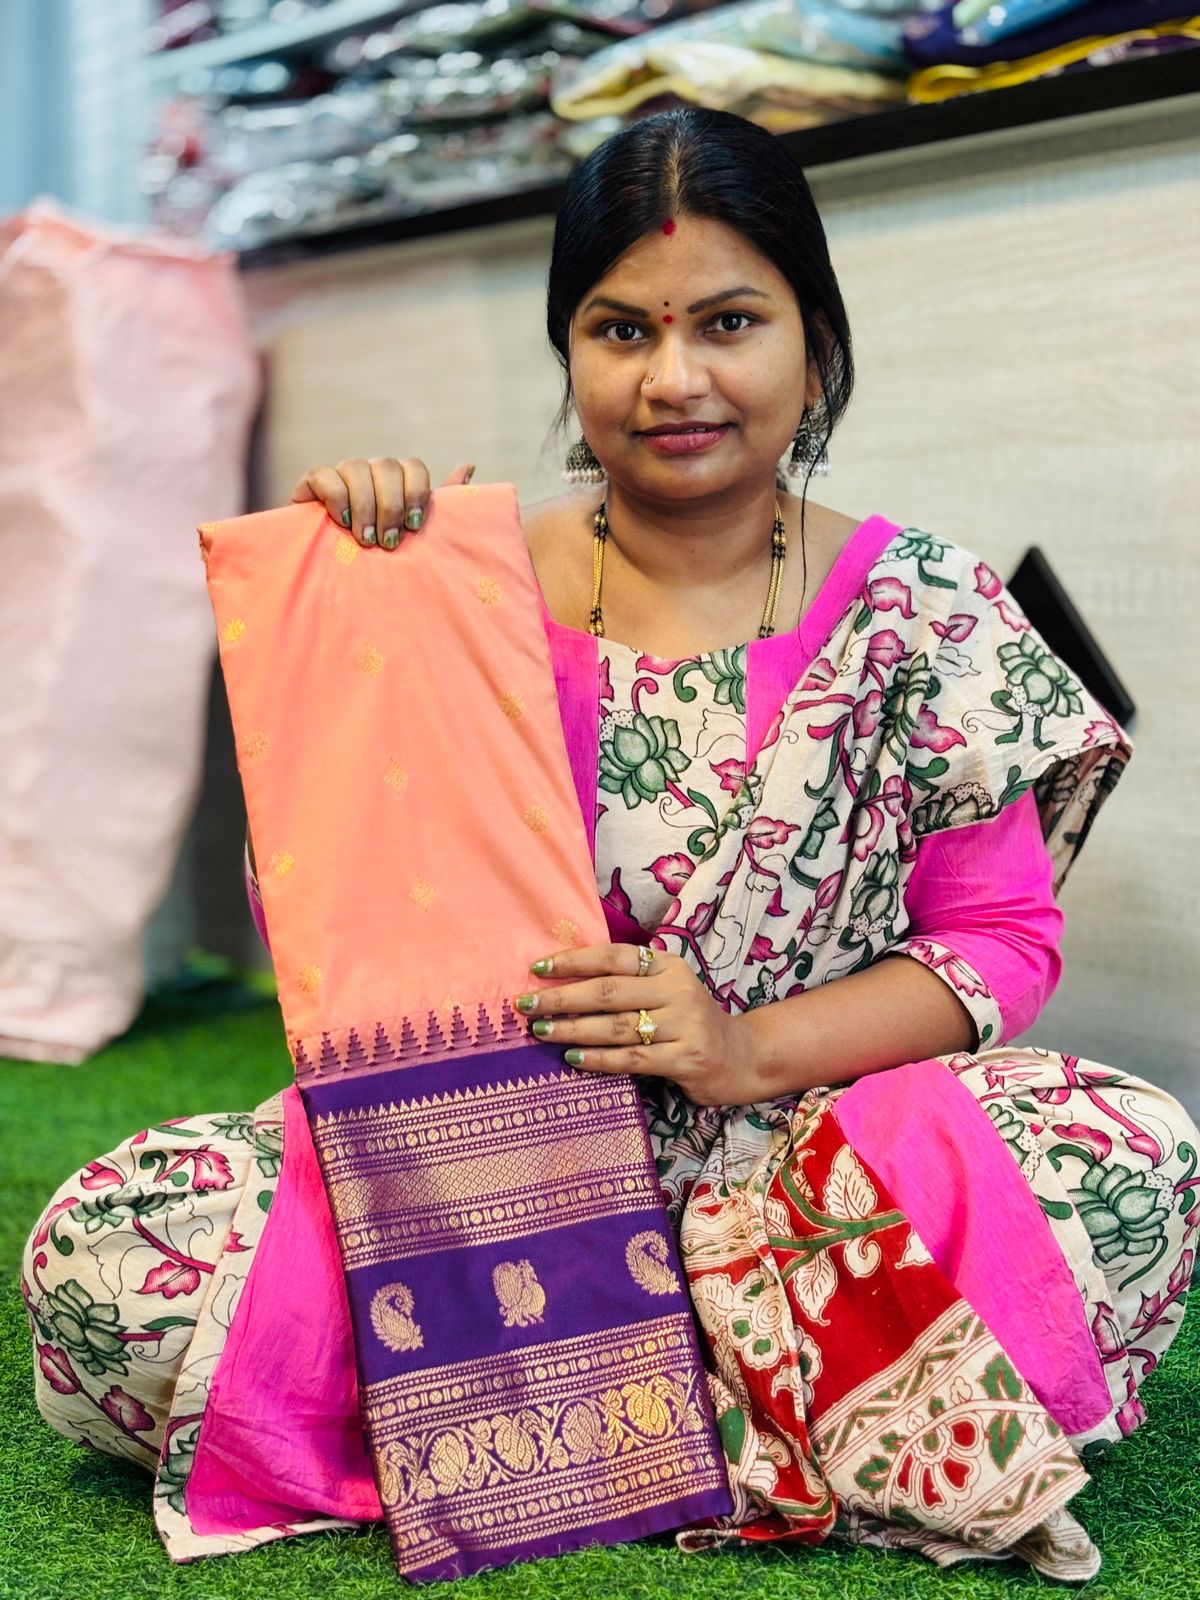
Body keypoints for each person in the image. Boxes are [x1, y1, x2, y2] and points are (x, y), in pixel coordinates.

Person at [23, 108, 1198, 1584]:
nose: (676, 377)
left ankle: (565, 1413)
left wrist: (741, 1050)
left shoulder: (924, 610)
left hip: (810, 1172)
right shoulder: (465, 588)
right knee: (101, 1254)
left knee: (1126, 1154)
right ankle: (799, 1405)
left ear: (815, 346)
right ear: (570, 357)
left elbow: (997, 945)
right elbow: (322, 912)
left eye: (729, 321)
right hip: (484, 1182)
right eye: (621, 329)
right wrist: (366, 629)